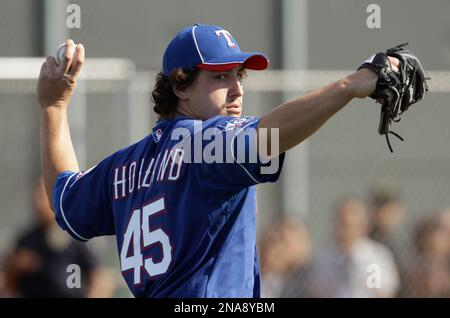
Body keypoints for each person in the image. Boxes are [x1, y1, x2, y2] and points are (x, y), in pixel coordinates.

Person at [36, 24, 399, 297]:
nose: (238, 88)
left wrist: (54, 108)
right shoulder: (207, 141)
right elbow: (268, 136)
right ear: (179, 85)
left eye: (239, 75)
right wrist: (351, 85)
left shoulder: (122, 167)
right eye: (221, 76)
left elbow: (64, 199)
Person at [1, 178, 115, 297]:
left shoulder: (77, 235)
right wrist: (15, 267)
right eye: (37, 196)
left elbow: (99, 279)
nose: (39, 203)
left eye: (44, 196)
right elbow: (9, 285)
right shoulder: (26, 240)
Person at [308, 198, 399, 298]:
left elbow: (383, 292)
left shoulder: (375, 257)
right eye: (339, 223)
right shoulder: (324, 258)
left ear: (363, 226)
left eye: (347, 225)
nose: (341, 230)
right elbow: (317, 291)